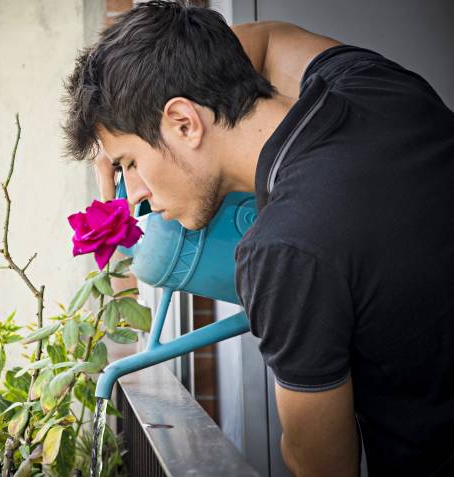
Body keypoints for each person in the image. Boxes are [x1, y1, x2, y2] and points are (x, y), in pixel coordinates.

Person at [62, 1, 454, 476]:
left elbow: (322, 464)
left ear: (184, 123)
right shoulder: (371, 82)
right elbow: (264, 40)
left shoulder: (284, 248)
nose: (135, 195)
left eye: (128, 163)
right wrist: (168, 67)